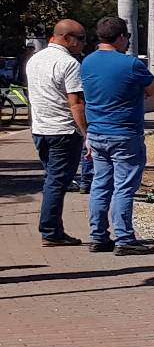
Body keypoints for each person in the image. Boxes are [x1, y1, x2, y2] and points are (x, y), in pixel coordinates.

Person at [79, 17, 154, 255]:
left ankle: (98, 235)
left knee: (100, 184)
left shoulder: (87, 62)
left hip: (96, 132)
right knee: (123, 186)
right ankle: (124, 238)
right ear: (122, 37)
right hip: (124, 133)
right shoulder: (131, 64)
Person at [24, 19, 89, 246]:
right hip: (63, 130)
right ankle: (51, 230)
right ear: (66, 38)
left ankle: (53, 227)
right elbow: (76, 103)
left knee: (52, 178)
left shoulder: (35, 60)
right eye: (80, 39)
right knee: (57, 182)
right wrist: (85, 133)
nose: (83, 44)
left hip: (40, 129)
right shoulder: (70, 64)